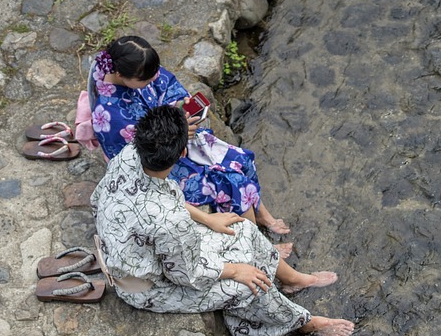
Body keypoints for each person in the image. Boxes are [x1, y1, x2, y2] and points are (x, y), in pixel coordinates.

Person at [92, 104, 355, 336]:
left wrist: (207, 218)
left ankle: (293, 280)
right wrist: (235, 270)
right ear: (183, 152)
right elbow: (186, 274)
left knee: (242, 228)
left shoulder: (127, 156)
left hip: (135, 246)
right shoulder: (170, 221)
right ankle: (302, 323)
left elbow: (158, 198)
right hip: (145, 288)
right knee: (252, 283)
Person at [89, 35, 291, 235]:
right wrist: (180, 132)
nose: (154, 80)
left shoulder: (133, 69)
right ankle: (257, 244)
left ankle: (261, 213)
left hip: (179, 137)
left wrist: (180, 107)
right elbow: (145, 154)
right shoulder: (111, 117)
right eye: (146, 79)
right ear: (122, 75)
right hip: (163, 163)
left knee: (241, 158)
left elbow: (167, 87)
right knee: (232, 182)